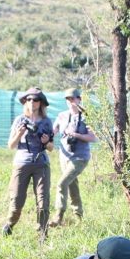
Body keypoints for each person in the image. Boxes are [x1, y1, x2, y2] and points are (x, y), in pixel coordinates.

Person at [4, 87, 53, 239]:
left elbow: (51, 148)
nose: (32, 102)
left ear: (41, 103)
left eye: (35, 99)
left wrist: (46, 142)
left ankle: (43, 233)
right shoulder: (19, 120)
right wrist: (19, 133)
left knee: (43, 200)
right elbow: (11, 145)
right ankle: (9, 224)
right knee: (17, 201)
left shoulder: (46, 122)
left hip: (41, 163)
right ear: (25, 102)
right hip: (22, 162)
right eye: (29, 99)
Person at [48, 88, 97, 227]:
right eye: (68, 99)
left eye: (73, 98)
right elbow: (53, 131)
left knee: (62, 183)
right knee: (72, 185)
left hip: (80, 156)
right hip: (64, 156)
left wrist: (76, 135)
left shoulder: (87, 115)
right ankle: (78, 216)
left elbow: (93, 137)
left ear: (79, 99)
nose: (70, 101)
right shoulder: (62, 115)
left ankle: (58, 216)